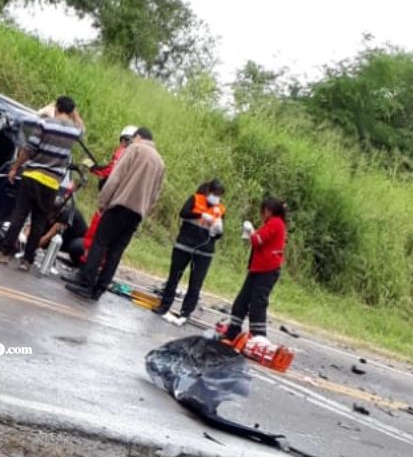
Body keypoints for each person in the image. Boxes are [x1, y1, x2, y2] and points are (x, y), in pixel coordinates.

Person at [65, 126, 164, 300]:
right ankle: (100, 289)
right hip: (136, 214)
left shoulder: (135, 149)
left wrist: (103, 202)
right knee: (116, 251)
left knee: (100, 244)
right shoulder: (160, 162)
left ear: (138, 137)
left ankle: (86, 283)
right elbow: (155, 195)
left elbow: (115, 178)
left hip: (119, 206)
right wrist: (143, 211)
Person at [0, 96, 83, 271]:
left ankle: (5, 254)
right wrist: (75, 113)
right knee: (39, 222)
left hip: (33, 175)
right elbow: (82, 128)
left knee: (19, 216)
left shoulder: (45, 124)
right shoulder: (74, 131)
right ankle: (27, 261)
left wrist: (15, 167)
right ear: (71, 111)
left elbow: (29, 148)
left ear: (57, 107)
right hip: (51, 183)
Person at [153, 179, 226, 325]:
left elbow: (218, 235)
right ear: (208, 191)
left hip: (204, 251)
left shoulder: (220, 210)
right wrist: (200, 215)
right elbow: (183, 213)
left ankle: (185, 313)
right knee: (174, 276)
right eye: (214, 193)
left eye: (219, 195)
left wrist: (217, 231)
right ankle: (164, 305)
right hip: (185, 245)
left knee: (195, 283)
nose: (216, 197)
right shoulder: (195, 199)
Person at [222, 197, 288, 343]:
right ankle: (233, 331)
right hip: (258, 268)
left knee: (258, 302)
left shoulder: (276, 223)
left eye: (264, 210)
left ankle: (258, 337)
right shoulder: (273, 223)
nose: (263, 213)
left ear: (269, 210)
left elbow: (258, 240)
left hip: (267, 269)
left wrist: (251, 232)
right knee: (242, 300)